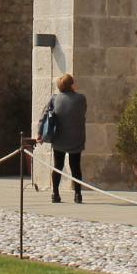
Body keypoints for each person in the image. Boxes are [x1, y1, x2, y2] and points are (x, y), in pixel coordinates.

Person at [41, 73, 88, 204]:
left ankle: (55, 194)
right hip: (76, 137)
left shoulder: (55, 99)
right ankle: (78, 194)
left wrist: (40, 133)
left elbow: (45, 115)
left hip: (59, 137)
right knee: (75, 167)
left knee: (58, 166)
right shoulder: (81, 98)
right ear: (71, 84)